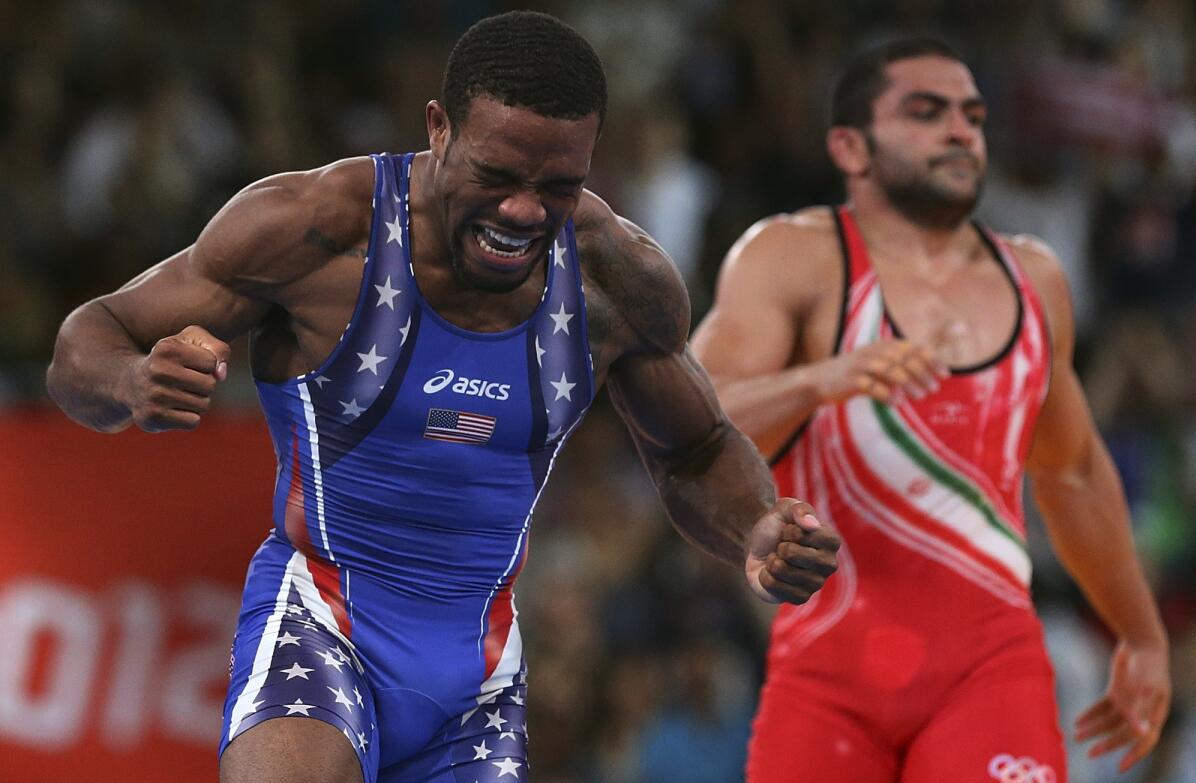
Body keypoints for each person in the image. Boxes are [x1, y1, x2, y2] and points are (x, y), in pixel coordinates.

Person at [44, 12, 840, 783]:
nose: (523, 211)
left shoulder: (614, 279)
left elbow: (696, 448)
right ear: (437, 128)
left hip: (478, 678)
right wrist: (131, 382)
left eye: (558, 185)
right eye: (495, 176)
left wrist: (755, 526)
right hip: (319, 621)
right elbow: (91, 336)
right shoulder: (317, 228)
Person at [692, 37, 1170, 783]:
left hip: (988, 671)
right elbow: (692, 426)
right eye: (927, 111)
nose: (960, 130)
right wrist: (823, 379)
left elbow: (1071, 471)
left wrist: (1140, 633)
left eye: (973, 116)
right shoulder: (792, 257)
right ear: (850, 146)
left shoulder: (1034, 278)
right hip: (827, 680)